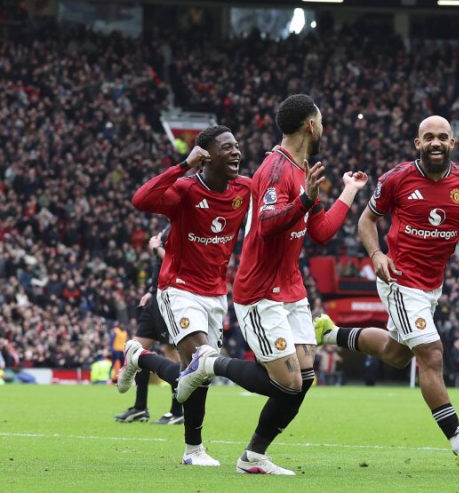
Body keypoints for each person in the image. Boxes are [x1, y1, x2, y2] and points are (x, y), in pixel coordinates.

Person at [176, 94, 369, 476]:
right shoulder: (276, 169)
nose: (324, 128)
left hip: (291, 289)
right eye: (321, 122)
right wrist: (304, 199)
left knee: (304, 379)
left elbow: (321, 232)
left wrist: (349, 191)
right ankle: (208, 362)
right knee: (288, 383)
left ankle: (253, 456)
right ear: (311, 125)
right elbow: (266, 225)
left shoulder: (303, 168)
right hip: (261, 291)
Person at [315, 115, 459, 470]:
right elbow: (366, 221)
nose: (435, 142)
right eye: (428, 137)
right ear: (418, 143)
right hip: (399, 280)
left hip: (432, 284)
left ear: (452, 143)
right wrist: (376, 254)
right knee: (431, 354)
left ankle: (330, 333)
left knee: (397, 353)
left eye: (442, 137)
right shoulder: (397, 178)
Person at [118, 124, 250, 467]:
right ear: (206, 156)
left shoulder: (244, 189)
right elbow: (141, 199)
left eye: (236, 146)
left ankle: (139, 357)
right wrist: (183, 165)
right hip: (179, 288)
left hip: (216, 293)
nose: (236, 152)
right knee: (200, 360)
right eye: (227, 147)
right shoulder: (186, 189)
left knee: (201, 373)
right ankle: (194, 451)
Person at [114, 227, 184, 425]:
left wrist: (156, 248)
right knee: (135, 350)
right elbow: (160, 265)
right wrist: (151, 290)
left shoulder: (183, 227)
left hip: (171, 296)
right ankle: (140, 408)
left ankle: (177, 411)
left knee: (171, 351)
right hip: (156, 296)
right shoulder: (169, 227)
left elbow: (177, 262)